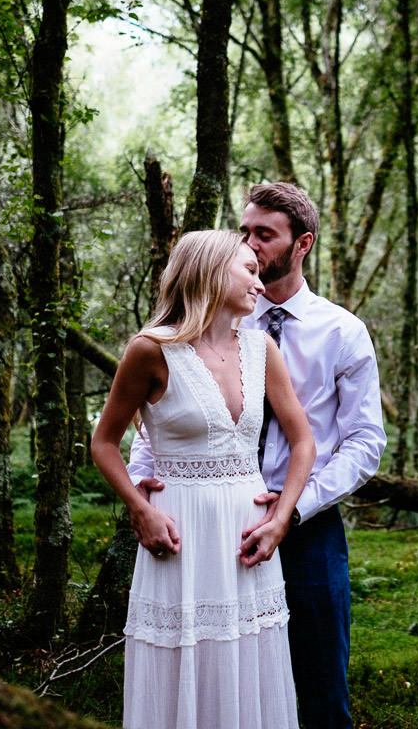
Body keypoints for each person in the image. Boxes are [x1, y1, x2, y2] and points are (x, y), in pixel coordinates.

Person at [129, 183, 386, 728]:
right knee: (215, 680)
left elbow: (365, 442)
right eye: (244, 231)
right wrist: (142, 494)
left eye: (264, 234)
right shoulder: (215, 316)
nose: (249, 244)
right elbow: (161, 415)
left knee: (321, 688)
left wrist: (293, 510)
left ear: (302, 244)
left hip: (308, 527)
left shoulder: (342, 332)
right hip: (208, 527)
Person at [91, 229, 315, 729]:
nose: (260, 285)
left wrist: (280, 520)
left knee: (249, 657)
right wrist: (139, 509)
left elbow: (304, 441)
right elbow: (104, 442)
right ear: (211, 271)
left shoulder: (261, 348)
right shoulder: (150, 350)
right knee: (183, 656)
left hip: (247, 536)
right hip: (180, 536)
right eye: (249, 271)